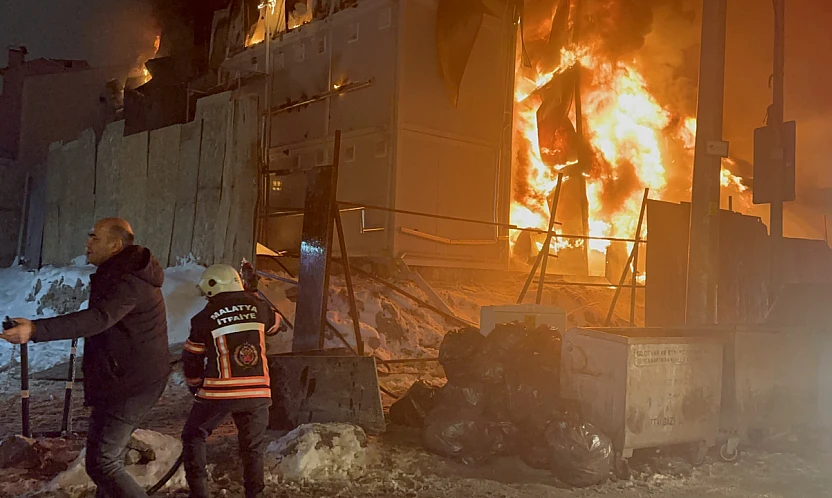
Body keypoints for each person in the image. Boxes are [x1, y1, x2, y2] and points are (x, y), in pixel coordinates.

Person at [0, 217, 170, 498]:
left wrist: (35, 329)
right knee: (104, 461)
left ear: (115, 245)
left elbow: (98, 318)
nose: (87, 243)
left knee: (103, 463)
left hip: (134, 382)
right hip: (117, 378)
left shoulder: (129, 280)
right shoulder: (118, 272)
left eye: (94, 238)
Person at [181, 264, 279, 498]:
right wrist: (252, 294)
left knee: (194, 435)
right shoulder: (259, 307)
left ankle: (199, 493)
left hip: (219, 392)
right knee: (252, 448)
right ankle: (255, 494)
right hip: (257, 392)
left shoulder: (203, 318)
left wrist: (195, 385)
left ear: (213, 287)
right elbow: (277, 326)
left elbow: (192, 357)